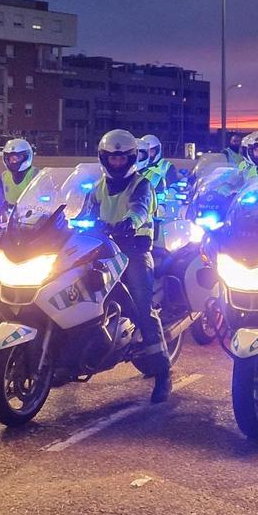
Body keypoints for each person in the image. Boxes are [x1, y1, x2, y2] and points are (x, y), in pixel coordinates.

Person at [80, 129, 171, 401]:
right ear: (104, 159)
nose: (117, 163)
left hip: (133, 251)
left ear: (131, 158)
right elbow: (85, 211)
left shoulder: (142, 184)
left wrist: (130, 222)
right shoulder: (98, 187)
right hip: (104, 250)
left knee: (142, 307)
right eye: (112, 158)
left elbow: (141, 208)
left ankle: (163, 372)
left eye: (122, 159)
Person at [0, 138, 38, 206]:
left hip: (31, 213)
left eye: (16, 158)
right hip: (9, 213)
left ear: (27, 156)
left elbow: (47, 191)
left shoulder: (36, 174)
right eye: (10, 158)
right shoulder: (5, 176)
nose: (12, 161)